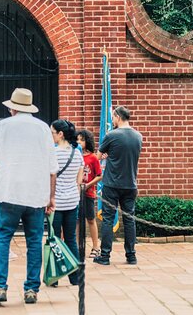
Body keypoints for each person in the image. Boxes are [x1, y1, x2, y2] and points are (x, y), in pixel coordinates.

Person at [0, 88, 58, 305]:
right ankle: (31, 290)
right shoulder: (43, 128)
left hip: (9, 192)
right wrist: (51, 196)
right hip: (36, 194)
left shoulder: (2, 126)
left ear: (12, 108)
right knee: (34, 241)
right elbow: (52, 168)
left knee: (2, 240)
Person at [94, 105, 143, 266]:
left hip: (112, 183)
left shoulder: (112, 135)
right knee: (129, 219)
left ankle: (105, 256)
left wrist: (106, 156)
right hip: (130, 183)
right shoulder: (138, 136)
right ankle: (131, 255)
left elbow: (97, 157)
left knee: (107, 219)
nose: (112, 120)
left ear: (118, 117)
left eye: (113, 117)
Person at [49, 119, 84, 287]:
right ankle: (75, 277)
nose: (51, 136)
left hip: (56, 203)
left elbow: (50, 178)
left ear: (60, 134)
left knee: (54, 239)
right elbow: (79, 180)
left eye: (53, 133)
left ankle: (55, 276)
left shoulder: (53, 154)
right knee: (71, 238)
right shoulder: (77, 153)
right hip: (72, 201)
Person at [77, 129, 103, 258]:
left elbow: (99, 175)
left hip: (88, 193)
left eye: (82, 140)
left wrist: (88, 185)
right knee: (76, 220)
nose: (79, 142)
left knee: (91, 219)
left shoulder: (92, 158)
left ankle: (95, 247)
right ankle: (76, 246)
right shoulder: (76, 155)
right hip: (76, 193)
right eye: (77, 139)